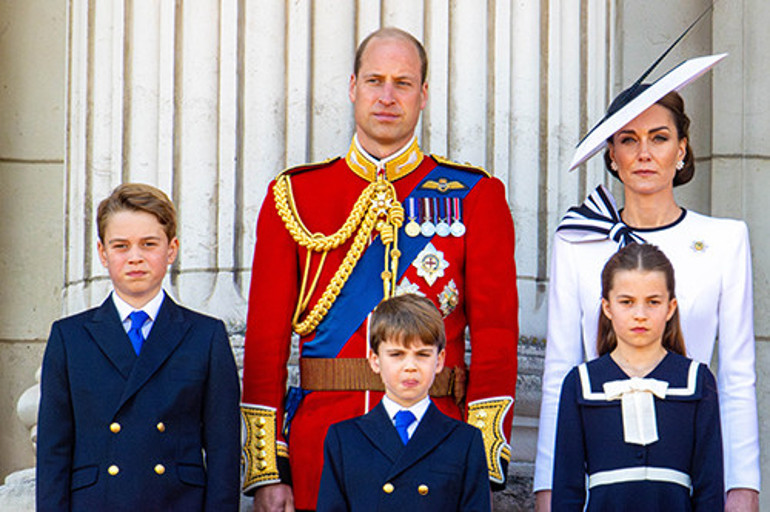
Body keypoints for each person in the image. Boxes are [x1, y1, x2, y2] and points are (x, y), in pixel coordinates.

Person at [241, 27, 518, 511]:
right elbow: (265, 343)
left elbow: (496, 343)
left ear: (424, 94)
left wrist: (483, 460)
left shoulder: (475, 196)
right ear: (352, 88)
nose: (387, 96)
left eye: (403, 83)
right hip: (320, 447)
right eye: (375, 81)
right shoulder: (295, 196)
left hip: (438, 445)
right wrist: (269, 468)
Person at [534, 55, 760, 511]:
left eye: (659, 138)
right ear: (611, 156)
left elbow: (737, 377)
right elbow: (560, 371)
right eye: (627, 140)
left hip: (692, 464)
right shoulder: (578, 242)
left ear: (681, 149)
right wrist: (547, 487)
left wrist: (743, 485)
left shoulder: (724, 240)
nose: (643, 153)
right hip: (602, 470)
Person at [36, 183, 241, 511]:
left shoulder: (206, 337)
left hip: (177, 504)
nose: (135, 257)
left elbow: (223, 454)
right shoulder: (69, 338)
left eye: (149, 244)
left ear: (171, 249)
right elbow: (53, 454)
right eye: (121, 246)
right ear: (103, 253)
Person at [551, 243, 723, 511]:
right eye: (627, 302)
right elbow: (566, 490)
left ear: (670, 307)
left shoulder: (697, 380)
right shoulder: (581, 383)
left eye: (653, 302)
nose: (640, 315)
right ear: (607, 307)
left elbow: (709, 490)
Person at [317, 294, 491, 512]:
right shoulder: (344, 439)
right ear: (375, 360)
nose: (410, 366)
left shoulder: (465, 441)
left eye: (422, 354)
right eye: (397, 354)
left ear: (439, 360)